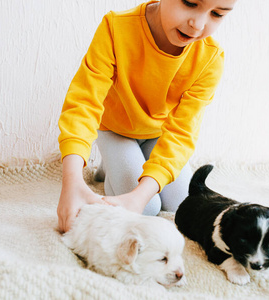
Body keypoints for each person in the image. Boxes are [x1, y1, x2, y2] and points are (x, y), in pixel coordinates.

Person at [57, 0, 237, 233]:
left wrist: (140, 193)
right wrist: (71, 180)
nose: (197, 24)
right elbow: (83, 103)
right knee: (149, 208)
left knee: (180, 201)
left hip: (157, 134)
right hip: (114, 129)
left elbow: (182, 133)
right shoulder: (115, 28)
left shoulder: (210, 58)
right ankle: (111, 163)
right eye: (190, 3)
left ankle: (120, 163)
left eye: (217, 14)